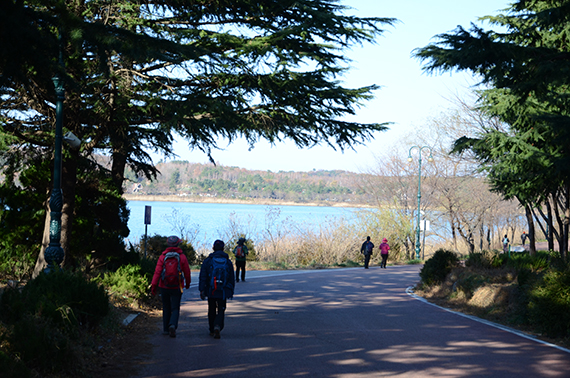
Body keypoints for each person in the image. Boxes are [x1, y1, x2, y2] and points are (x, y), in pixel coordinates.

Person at [151, 235, 191, 338]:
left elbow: (157, 272)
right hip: (177, 286)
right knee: (175, 308)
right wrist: (187, 283)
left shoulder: (163, 257)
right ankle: (172, 325)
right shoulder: (182, 256)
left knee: (166, 307)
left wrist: (154, 285)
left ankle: (165, 329)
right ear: (178, 244)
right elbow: (187, 271)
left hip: (164, 286)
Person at [199, 239, 235, 339]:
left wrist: (202, 289)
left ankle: (211, 329)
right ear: (223, 249)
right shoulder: (227, 262)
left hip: (211, 290)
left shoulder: (208, 261)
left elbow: (203, 276)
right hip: (223, 290)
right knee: (221, 308)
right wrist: (231, 290)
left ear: (213, 248)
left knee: (211, 308)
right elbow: (231, 277)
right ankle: (218, 326)